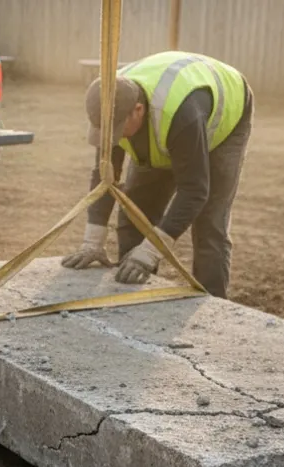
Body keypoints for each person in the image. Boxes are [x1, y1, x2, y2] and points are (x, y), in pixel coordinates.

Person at [63, 52, 253, 298]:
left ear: (138, 110)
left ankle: (212, 303)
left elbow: (194, 190)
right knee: (135, 214)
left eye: (119, 130)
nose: (116, 138)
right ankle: (136, 294)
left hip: (225, 115)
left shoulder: (181, 115)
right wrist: (93, 240)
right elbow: (105, 177)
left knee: (209, 224)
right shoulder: (111, 103)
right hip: (169, 120)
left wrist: (151, 252)